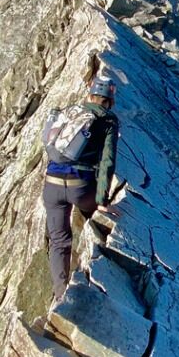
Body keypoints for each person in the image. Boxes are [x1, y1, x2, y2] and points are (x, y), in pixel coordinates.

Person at [43, 77, 119, 303]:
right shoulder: (108, 121)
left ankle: (60, 294)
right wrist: (102, 199)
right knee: (92, 216)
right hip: (81, 187)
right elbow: (107, 162)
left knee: (59, 241)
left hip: (52, 184)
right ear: (110, 101)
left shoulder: (69, 111)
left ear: (89, 96)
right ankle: (91, 262)